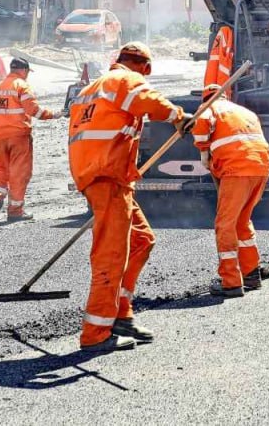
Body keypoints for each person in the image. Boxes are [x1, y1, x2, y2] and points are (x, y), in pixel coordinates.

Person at [68, 41, 188, 353]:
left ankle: (121, 315)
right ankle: (96, 332)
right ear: (145, 68)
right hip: (106, 178)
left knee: (141, 240)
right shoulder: (125, 80)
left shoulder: (91, 89)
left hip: (103, 177)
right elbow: (148, 101)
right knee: (111, 254)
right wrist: (177, 115)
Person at [192, 84, 269, 298]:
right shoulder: (245, 112)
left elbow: (201, 124)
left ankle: (231, 282)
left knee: (225, 224)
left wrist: (203, 151)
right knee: (241, 220)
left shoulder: (210, 108)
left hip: (236, 169)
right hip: (260, 167)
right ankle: (251, 274)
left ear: (205, 98)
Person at [0, 57, 57, 221]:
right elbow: (34, 111)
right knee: (19, 173)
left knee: (2, 170)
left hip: (0, 138)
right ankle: (15, 211)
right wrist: (54, 114)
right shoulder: (21, 86)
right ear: (24, 71)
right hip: (19, 137)